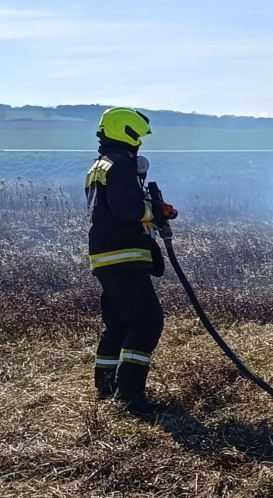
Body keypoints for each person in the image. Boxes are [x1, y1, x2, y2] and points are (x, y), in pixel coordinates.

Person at [86, 107, 177, 417]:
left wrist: (153, 206)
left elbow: (113, 207)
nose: (139, 141)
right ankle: (130, 397)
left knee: (120, 323)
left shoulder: (101, 165)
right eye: (137, 135)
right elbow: (126, 208)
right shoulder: (120, 165)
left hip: (106, 255)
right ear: (125, 132)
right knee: (147, 321)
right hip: (123, 255)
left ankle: (107, 387)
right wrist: (155, 211)